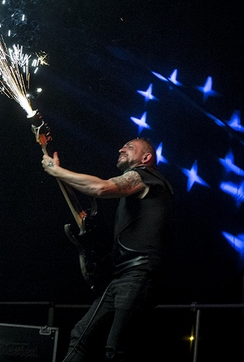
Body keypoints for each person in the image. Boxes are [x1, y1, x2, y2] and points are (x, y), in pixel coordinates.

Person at [41, 137, 173, 362]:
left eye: (130, 147)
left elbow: (100, 188)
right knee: (80, 335)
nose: (121, 148)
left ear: (146, 158)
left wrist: (57, 171)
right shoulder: (137, 187)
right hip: (123, 277)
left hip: (141, 275)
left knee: (116, 348)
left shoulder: (147, 176)